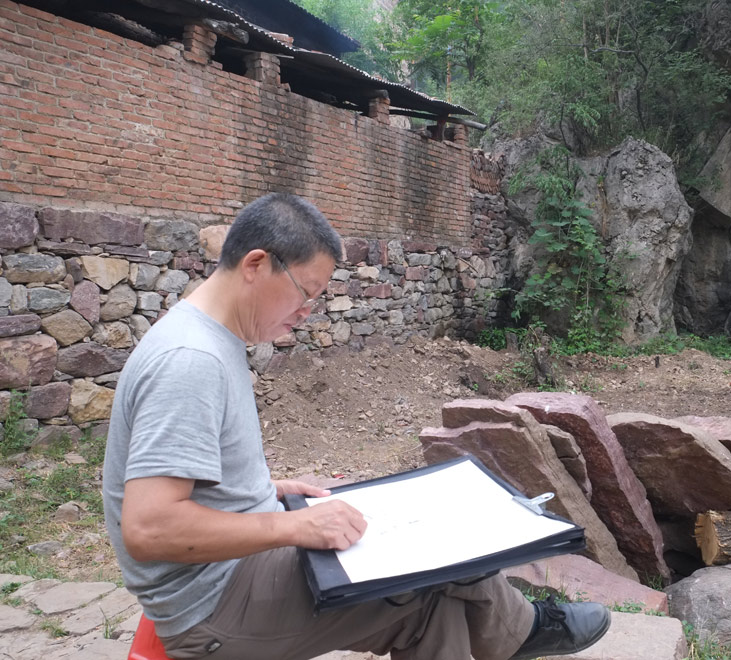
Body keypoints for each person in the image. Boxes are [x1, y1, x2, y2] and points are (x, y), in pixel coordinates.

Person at [102, 193, 611, 660]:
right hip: (213, 608)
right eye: (307, 292)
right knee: (433, 590)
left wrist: (266, 490)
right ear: (256, 265)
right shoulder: (191, 361)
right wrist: (293, 524)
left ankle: (517, 631)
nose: (306, 313)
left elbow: (188, 476)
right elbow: (149, 529)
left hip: (230, 577)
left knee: (437, 574)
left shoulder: (209, 337)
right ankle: (519, 632)